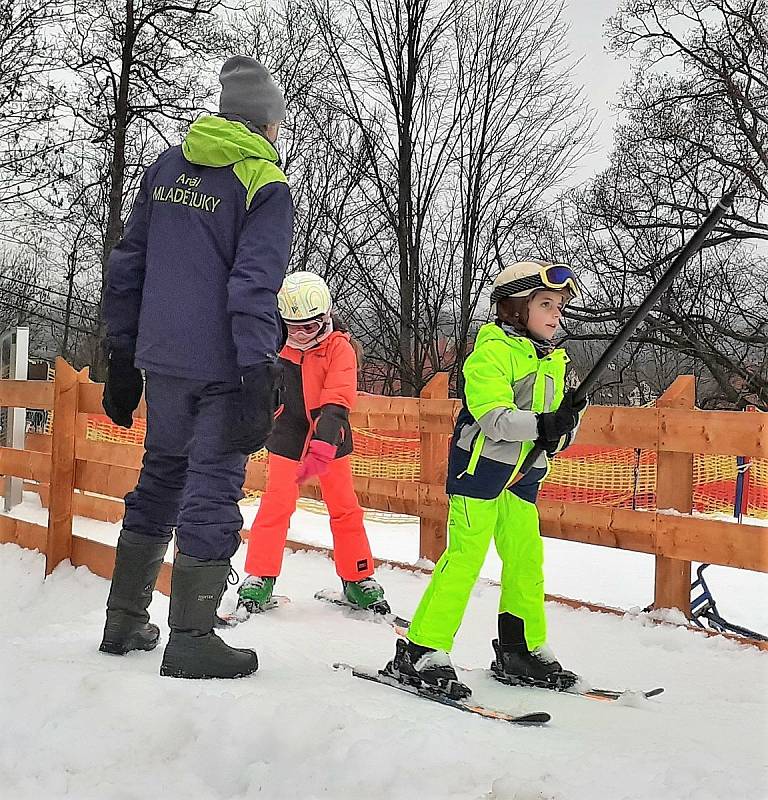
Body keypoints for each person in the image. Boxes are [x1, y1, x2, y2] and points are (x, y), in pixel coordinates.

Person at [99, 55, 293, 680]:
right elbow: (253, 285)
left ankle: (125, 618)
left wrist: (122, 354)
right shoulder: (264, 184)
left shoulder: (166, 168)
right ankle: (193, 639)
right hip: (223, 366)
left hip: (163, 361)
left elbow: (129, 264)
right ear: (266, 120)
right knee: (212, 490)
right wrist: (259, 368)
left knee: (160, 480)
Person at [382, 260, 586, 698]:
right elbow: (495, 419)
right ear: (514, 308)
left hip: (525, 475)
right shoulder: (490, 354)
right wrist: (544, 424)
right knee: (465, 560)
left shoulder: (552, 359)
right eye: (545, 304)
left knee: (526, 560)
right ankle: (422, 648)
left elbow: (556, 436)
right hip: (481, 472)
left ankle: (520, 647)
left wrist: (565, 424)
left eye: (560, 306)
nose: (555, 314)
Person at [237, 271, 388, 614]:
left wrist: (324, 442)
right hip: (287, 434)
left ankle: (357, 576)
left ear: (325, 317)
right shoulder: (276, 346)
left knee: (344, 506)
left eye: (310, 326)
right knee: (276, 505)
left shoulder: (340, 349)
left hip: (330, 436)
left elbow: (337, 398)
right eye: (293, 327)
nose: (301, 334)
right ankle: (261, 575)